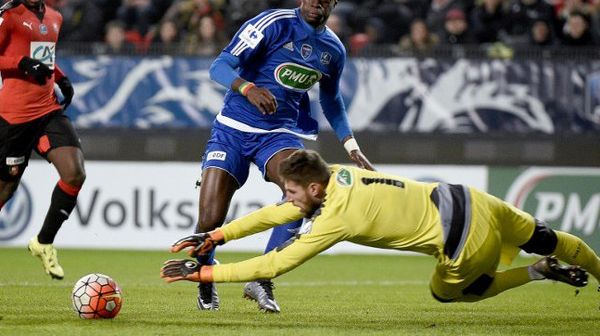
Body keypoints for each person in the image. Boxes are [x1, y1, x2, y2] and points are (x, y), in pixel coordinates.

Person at [162, 150, 600, 309]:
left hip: (462, 240)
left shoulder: (337, 218)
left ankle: (536, 272)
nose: (288, 198)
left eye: (292, 191)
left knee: (451, 294)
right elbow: (279, 214)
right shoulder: (334, 175)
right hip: (469, 198)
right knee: (549, 237)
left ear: (312, 187)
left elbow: (276, 261)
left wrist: (201, 273)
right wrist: (217, 236)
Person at [190, 0, 373, 312]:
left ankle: (260, 279)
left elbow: (331, 101)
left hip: (279, 134)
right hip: (231, 129)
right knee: (210, 219)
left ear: (335, 3)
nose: (316, 4)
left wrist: (351, 145)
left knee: (304, 192)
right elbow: (220, 65)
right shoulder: (272, 24)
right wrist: (248, 87)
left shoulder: (333, 50)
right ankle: (205, 276)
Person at [0, 0, 86, 280]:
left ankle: (43, 242)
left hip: (48, 110)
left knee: (75, 173)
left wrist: (60, 77)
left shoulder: (54, 17)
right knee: (6, 188)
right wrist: (21, 65)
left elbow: (44, 57)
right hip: (13, 117)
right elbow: (9, 58)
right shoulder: (7, 17)